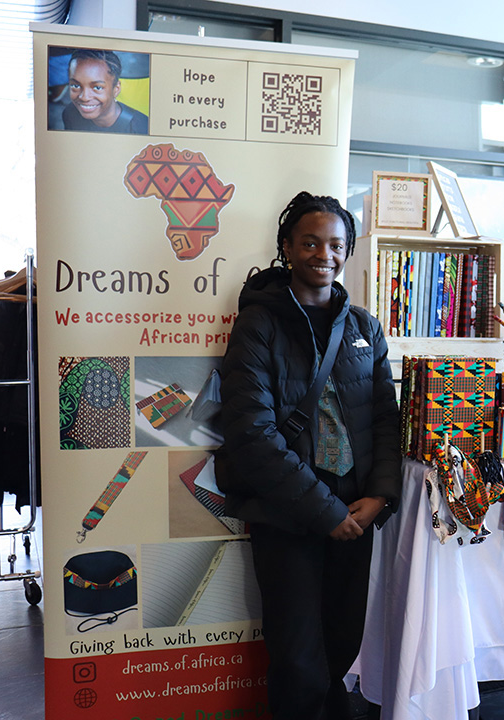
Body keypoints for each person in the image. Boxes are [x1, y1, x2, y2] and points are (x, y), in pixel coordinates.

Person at [218, 192, 402, 720]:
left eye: (337, 244)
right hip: (289, 517)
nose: (325, 253)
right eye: (311, 242)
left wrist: (380, 497)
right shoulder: (258, 325)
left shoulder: (364, 327)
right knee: (298, 661)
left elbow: (386, 419)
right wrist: (326, 513)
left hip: (357, 512)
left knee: (341, 646)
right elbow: (251, 433)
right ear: (287, 249)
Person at [62, 49, 148, 134]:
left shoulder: (141, 127)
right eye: (75, 86)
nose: (84, 97)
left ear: (116, 89)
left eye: (97, 87)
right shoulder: (70, 113)